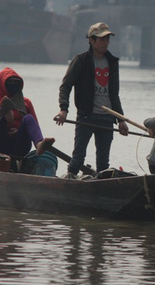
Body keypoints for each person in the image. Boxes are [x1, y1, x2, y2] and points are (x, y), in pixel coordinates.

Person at [55, 22, 129, 177]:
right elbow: (66, 86)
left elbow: (114, 94)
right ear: (91, 40)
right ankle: (69, 181)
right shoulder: (81, 60)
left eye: (107, 39)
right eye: (102, 39)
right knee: (78, 158)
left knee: (103, 163)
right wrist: (64, 109)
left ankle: (100, 188)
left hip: (107, 118)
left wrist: (120, 119)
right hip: (87, 116)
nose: (105, 43)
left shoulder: (112, 62)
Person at [0, 67, 54, 160]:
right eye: (9, 84)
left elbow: (34, 127)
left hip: (18, 146)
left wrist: (18, 130)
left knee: (28, 118)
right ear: (2, 85)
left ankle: (40, 145)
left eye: (15, 84)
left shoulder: (26, 103)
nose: (12, 86)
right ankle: (5, 112)